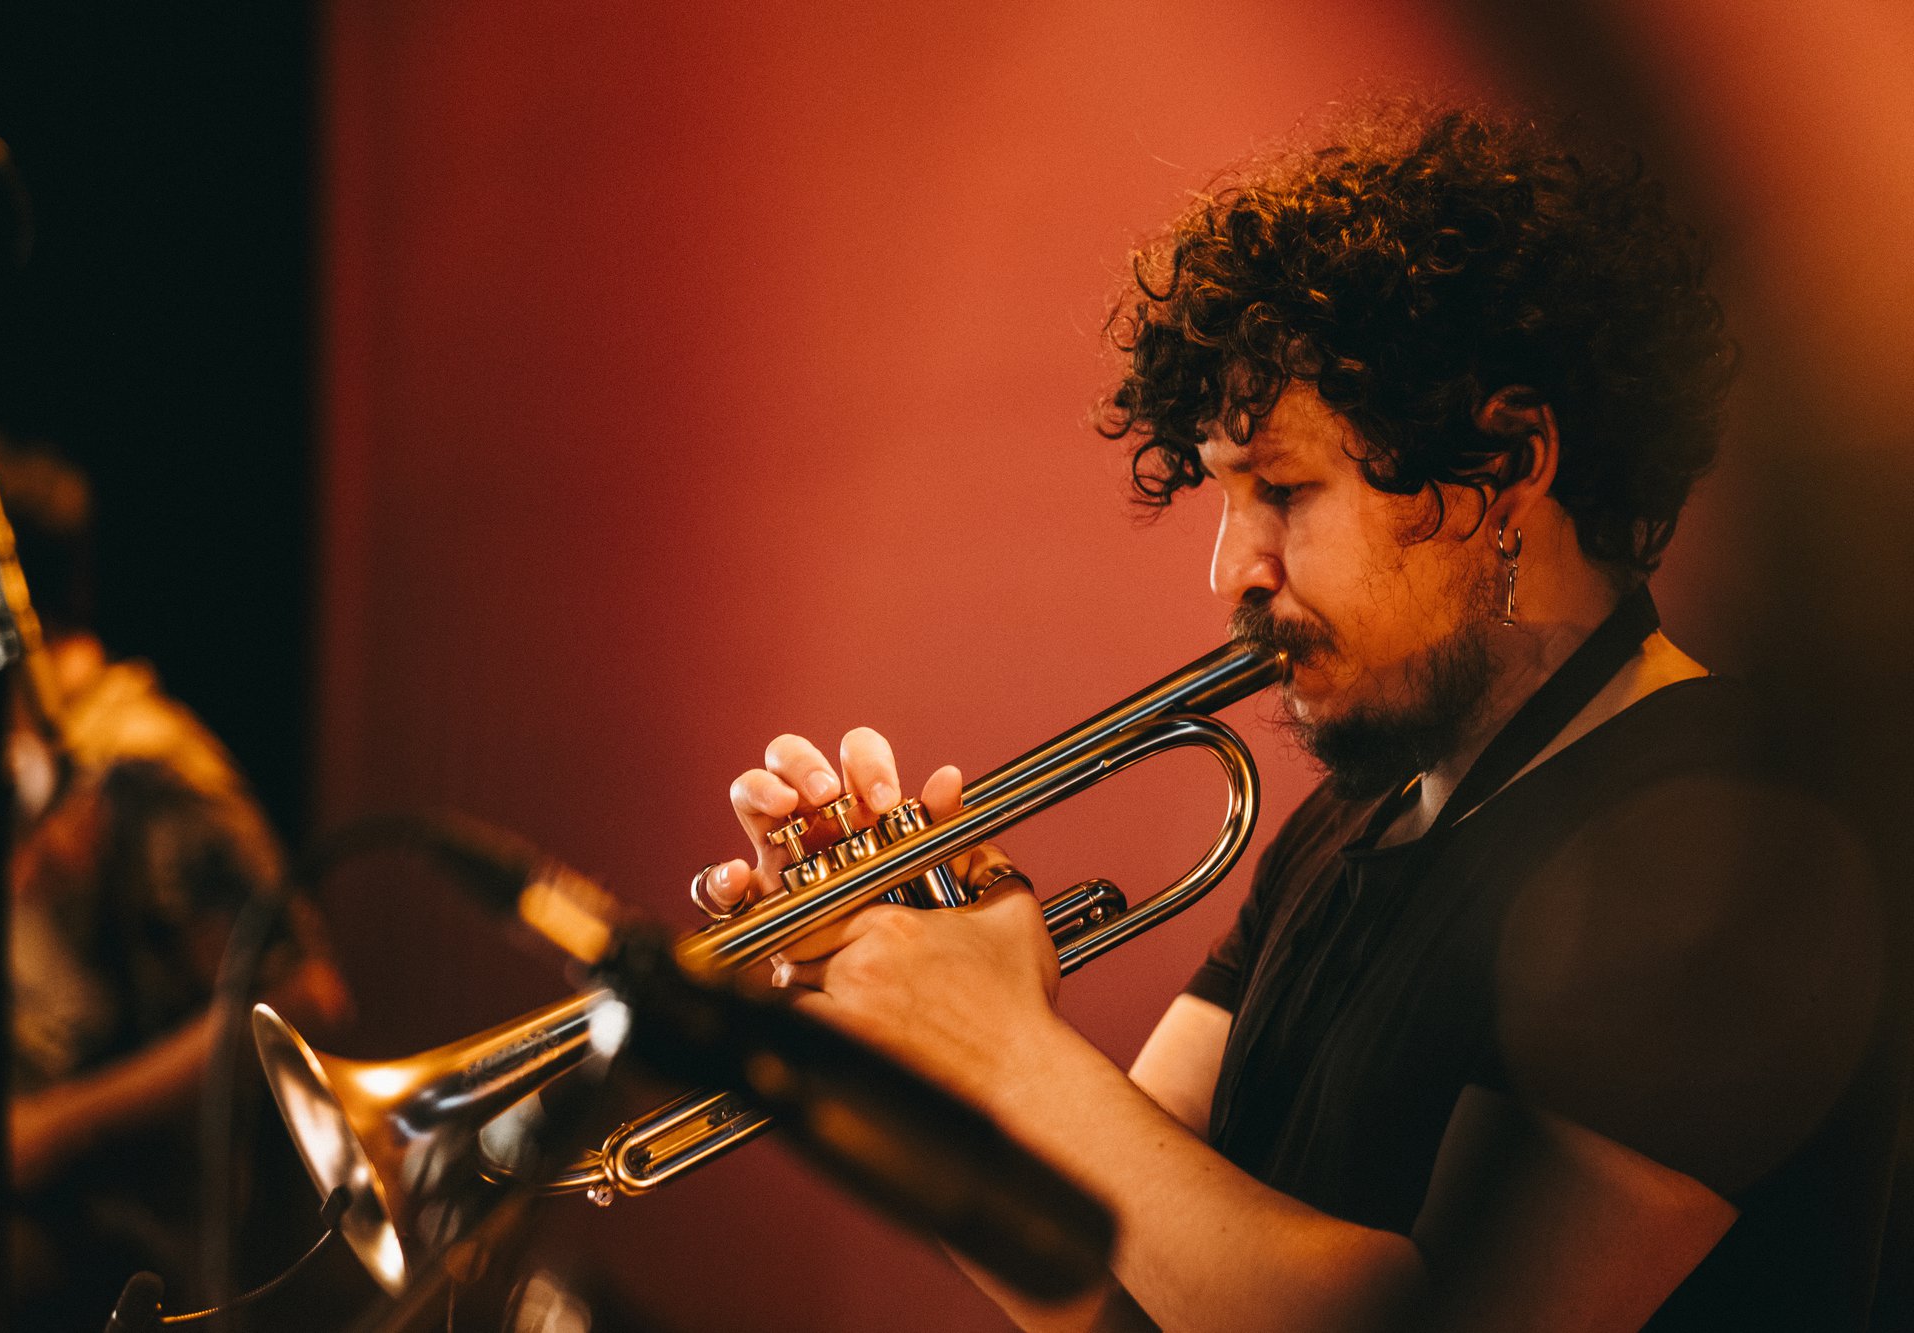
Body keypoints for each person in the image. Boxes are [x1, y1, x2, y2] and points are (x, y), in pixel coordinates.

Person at [692, 106, 1902, 1329]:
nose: (1232, 569)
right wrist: (894, 1035)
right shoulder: (1345, 826)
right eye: (1228, 498)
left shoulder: (1734, 844)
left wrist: (1007, 1046)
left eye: (1281, 489)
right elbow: (1113, 1290)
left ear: (1506, 464)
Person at [0, 442, 349, 1327]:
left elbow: (300, 996)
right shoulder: (20, 767)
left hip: (117, 1236)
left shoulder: (141, 771)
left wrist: (52, 1128)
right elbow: (63, 1014)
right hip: (26, 1193)